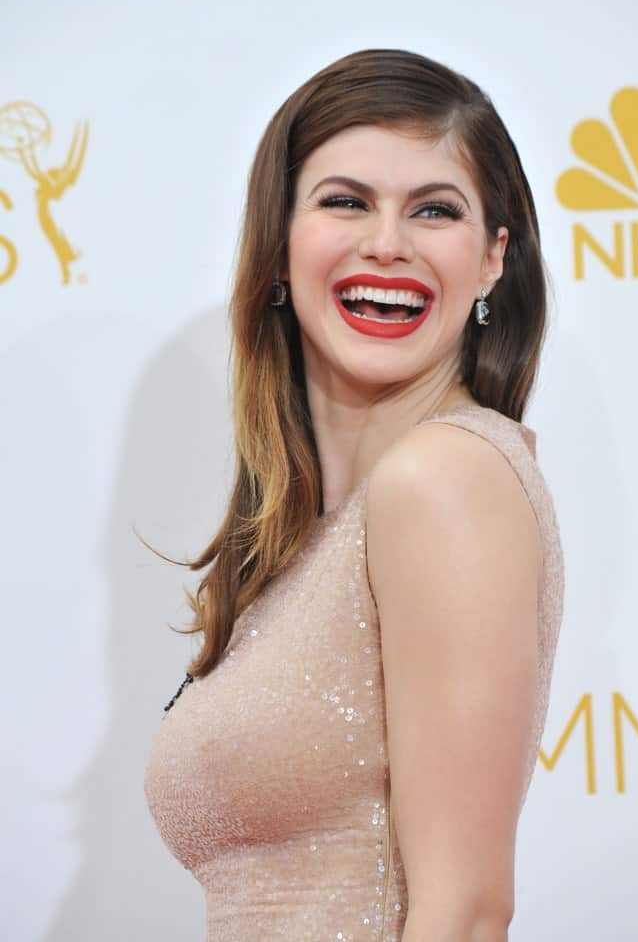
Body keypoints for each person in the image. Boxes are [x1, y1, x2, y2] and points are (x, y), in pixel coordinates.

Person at [144, 48, 565, 942]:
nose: (387, 243)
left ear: (492, 259)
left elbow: (464, 912)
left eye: (434, 211)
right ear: (279, 244)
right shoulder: (313, 533)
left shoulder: (442, 479)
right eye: (344, 201)